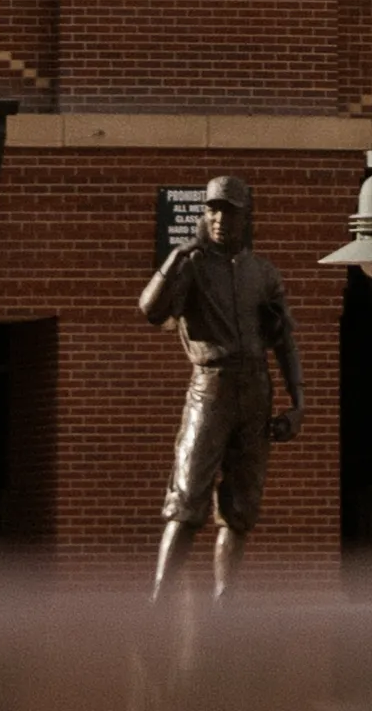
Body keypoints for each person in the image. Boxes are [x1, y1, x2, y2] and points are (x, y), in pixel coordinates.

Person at [138, 179, 302, 597]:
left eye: (229, 211)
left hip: (256, 390)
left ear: (247, 217)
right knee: (187, 499)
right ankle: (159, 599)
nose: (219, 219)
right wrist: (174, 259)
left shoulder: (263, 273)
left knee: (240, 508)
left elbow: (284, 341)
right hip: (210, 388)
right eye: (213, 210)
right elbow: (150, 310)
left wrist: (298, 403)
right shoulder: (190, 264)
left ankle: (224, 607)